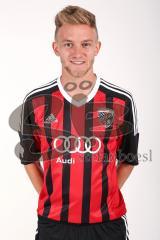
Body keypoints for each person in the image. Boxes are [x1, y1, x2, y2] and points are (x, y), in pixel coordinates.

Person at [18, 5, 139, 240]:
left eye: (85, 44)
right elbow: (29, 160)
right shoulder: (36, 102)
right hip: (54, 224)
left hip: (107, 225)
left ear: (97, 48)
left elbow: (128, 160)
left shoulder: (120, 101)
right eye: (68, 44)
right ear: (56, 48)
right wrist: (53, 197)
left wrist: (103, 197)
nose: (77, 52)